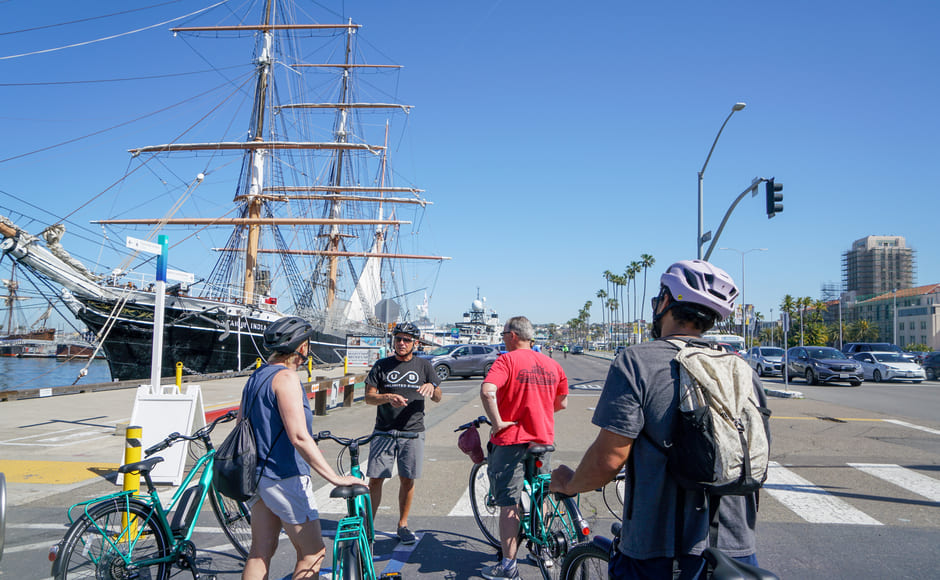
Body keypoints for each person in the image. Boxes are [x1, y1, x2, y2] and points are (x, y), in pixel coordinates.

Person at [550, 260, 767, 579]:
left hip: (658, 553)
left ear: (665, 301)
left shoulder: (636, 362)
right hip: (735, 552)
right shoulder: (744, 372)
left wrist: (569, 483)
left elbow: (609, 458)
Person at [242, 316, 364, 580]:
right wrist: (334, 477)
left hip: (258, 477)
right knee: (313, 553)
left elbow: (244, 424)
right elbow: (299, 436)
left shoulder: (256, 377)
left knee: (261, 551)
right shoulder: (285, 378)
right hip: (285, 475)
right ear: (301, 347)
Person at [479, 316, 569, 580]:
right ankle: (542, 550)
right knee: (541, 495)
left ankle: (508, 565)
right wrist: (538, 412)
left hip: (512, 440)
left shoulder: (506, 360)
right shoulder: (552, 364)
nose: (503, 338)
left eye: (504, 333)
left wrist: (497, 423)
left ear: (514, 336)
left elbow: (487, 391)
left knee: (509, 504)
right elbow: (562, 403)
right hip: (542, 439)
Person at [364, 321, 442, 545]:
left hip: (413, 431)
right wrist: (387, 397)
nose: (401, 343)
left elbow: (438, 397)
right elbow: (369, 397)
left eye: (407, 339)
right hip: (384, 431)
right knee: (376, 480)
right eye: (398, 338)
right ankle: (369, 526)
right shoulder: (382, 365)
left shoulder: (424, 366)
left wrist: (432, 388)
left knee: (407, 480)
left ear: (415, 343)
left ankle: (403, 525)